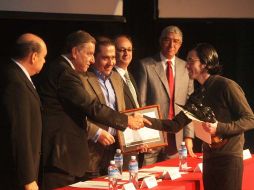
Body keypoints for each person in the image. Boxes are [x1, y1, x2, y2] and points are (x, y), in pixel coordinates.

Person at [35, 30, 146, 190]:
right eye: (90, 54)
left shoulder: (113, 77)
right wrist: (127, 121)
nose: (92, 59)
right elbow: (90, 106)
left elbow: (117, 109)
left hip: (110, 152)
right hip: (66, 153)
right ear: (75, 52)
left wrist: (135, 137)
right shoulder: (68, 74)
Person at [185, 43, 254, 190]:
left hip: (229, 159)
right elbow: (175, 123)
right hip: (209, 159)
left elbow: (250, 119)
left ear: (204, 64)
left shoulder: (226, 86)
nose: (186, 65)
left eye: (191, 60)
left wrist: (219, 128)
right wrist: (144, 120)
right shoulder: (198, 94)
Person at [137, 25, 194, 165]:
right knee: (148, 177)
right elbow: (141, 103)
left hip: (177, 134)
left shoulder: (186, 67)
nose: (171, 45)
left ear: (180, 44)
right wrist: (144, 136)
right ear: (160, 41)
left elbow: (190, 106)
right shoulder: (145, 65)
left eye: (176, 41)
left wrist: (188, 136)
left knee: (173, 179)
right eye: (167, 40)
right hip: (152, 132)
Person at [0, 33, 47, 190]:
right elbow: (18, 131)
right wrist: (28, 179)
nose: (45, 61)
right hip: (16, 177)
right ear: (34, 57)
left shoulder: (18, 76)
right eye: (44, 57)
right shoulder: (15, 82)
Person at [79, 38, 126, 177]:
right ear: (94, 57)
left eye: (113, 57)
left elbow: (121, 113)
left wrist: (134, 140)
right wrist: (96, 133)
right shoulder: (82, 79)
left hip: (115, 151)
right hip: (91, 151)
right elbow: (74, 116)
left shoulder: (117, 78)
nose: (111, 63)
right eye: (105, 58)